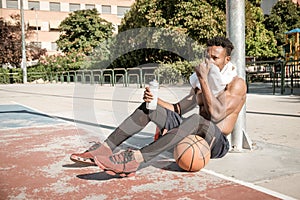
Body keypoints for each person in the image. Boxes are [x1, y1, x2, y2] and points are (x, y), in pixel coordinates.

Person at [70, 36, 247, 177]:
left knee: (196, 120)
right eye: (207, 57)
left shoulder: (236, 84)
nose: (209, 62)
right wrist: (154, 99)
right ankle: (106, 147)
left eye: (215, 58)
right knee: (150, 107)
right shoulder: (202, 83)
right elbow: (178, 109)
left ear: (227, 59)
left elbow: (216, 115)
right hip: (193, 130)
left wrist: (202, 79)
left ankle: (136, 158)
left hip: (216, 141)